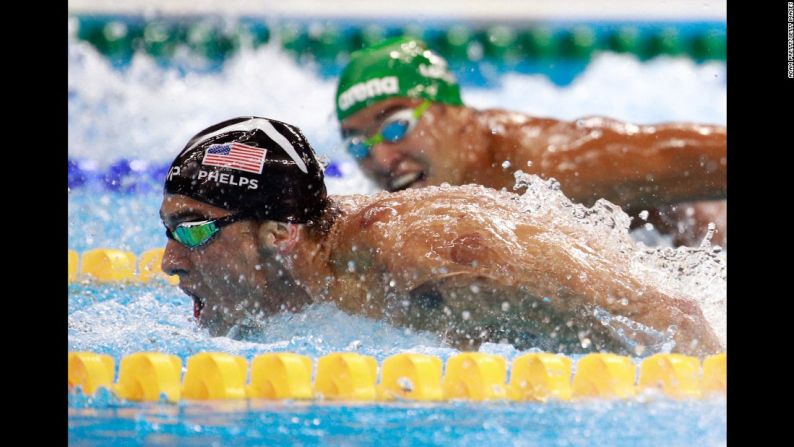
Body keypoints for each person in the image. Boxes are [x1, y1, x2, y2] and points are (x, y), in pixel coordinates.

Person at [160, 116, 722, 356]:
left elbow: (674, 317)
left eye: (194, 230)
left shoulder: (420, 249)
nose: (170, 261)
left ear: (280, 231)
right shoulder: (317, 265)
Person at [335, 37, 727, 247]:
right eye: (358, 144)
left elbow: (702, 157)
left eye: (395, 127)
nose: (381, 158)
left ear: (455, 113)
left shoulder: (549, 161)